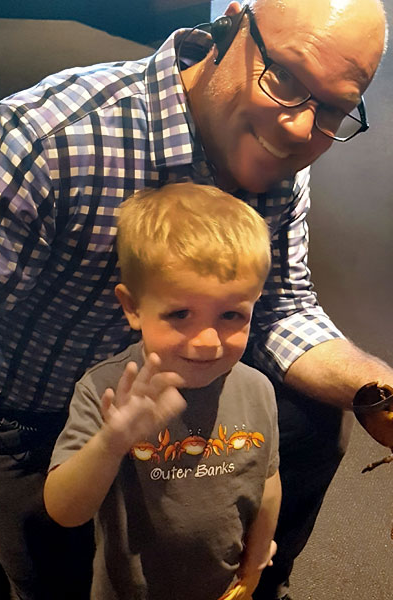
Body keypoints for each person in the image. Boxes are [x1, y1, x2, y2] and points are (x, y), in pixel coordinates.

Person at [0, 1, 393, 599]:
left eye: (332, 108)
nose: (300, 128)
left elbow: (284, 308)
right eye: (286, 80)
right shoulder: (45, 143)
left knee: (318, 423)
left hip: (183, 387)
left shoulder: (278, 162)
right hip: (23, 411)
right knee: (52, 578)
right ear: (230, 31)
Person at [43, 182, 281, 600]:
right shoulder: (106, 389)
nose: (208, 340)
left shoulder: (257, 388)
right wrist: (110, 443)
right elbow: (65, 511)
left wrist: (257, 557)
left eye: (231, 314)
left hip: (223, 586)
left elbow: (267, 479)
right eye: (180, 314)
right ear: (133, 308)